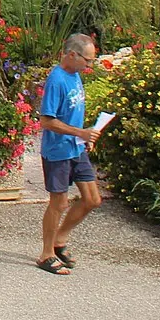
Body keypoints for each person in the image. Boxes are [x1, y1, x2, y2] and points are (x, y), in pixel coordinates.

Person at [35, 32, 103, 274]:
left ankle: (60, 239)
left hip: (76, 147)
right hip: (58, 151)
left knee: (92, 199)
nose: (90, 65)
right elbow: (46, 120)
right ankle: (46, 254)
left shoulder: (75, 76)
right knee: (59, 203)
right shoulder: (57, 79)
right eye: (88, 60)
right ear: (72, 55)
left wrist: (86, 137)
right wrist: (79, 132)